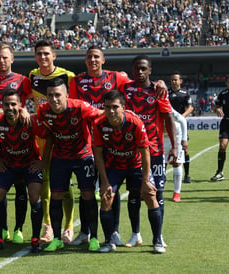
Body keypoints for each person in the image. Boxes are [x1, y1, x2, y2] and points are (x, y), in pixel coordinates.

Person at [68, 45, 131, 247]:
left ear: (103, 60)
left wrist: (160, 83)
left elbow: (136, 87)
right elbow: (73, 107)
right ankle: (85, 231)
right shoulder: (76, 81)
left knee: (110, 188)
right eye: (89, 57)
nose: (92, 60)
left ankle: (114, 231)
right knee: (86, 191)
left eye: (96, 57)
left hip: (111, 143)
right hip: (85, 143)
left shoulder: (116, 78)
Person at [92, 90, 164, 253]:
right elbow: (98, 154)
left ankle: (157, 240)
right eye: (107, 107)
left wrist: (145, 181)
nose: (111, 111)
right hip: (114, 166)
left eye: (115, 107)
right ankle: (109, 241)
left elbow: (145, 152)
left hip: (136, 166)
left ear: (123, 107)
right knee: (106, 198)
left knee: (150, 196)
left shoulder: (135, 123)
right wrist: (104, 181)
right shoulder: (98, 124)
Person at [37, 78, 103, 252]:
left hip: (83, 157)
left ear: (66, 95)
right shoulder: (43, 111)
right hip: (60, 158)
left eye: (58, 95)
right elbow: (46, 132)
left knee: (88, 196)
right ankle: (57, 239)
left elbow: (102, 114)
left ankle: (94, 237)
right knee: (56, 196)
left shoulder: (80, 107)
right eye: (50, 95)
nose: (54, 99)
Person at [122, 55, 177, 252]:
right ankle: (136, 232)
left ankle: (158, 235)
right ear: (132, 69)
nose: (140, 72)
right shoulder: (125, 88)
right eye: (137, 68)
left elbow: (168, 118)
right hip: (131, 152)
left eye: (144, 68)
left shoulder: (158, 91)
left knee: (157, 193)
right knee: (134, 193)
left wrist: (175, 146)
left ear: (150, 70)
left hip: (154, 151)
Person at [0, 89, 51, 253]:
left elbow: (49, 137)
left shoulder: (30, 121)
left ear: (20, 105)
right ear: (2, 106)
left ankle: (36, 239)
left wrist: (42, 161)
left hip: (30, 164)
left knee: (34, 196)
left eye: (13, 104)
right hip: (9, 165)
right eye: (6, 104)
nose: (10, 108)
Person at [0, 43, 32, 243]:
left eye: (5, 57)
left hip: (19, 141)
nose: (2, 61)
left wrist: (25, 110)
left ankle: (19, 228)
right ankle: (2, 229)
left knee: (21, 187)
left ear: (12, 59)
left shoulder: (23, 81)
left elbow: (29, 103)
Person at [29, 40, 75, 243]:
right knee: (44, 184)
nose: (43, 57)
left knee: (64, 186)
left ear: (54, 55)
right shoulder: (32, 76)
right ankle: (47, 226)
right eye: (39, 54)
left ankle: (68, 226)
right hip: (41, 137)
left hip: (63, 137)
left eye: (46, 54)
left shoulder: (68, 76)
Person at [169, 71, 194, 183]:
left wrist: (181, 117)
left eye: (176, 80)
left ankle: (187, 175)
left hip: (180, 125)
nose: (174, 82)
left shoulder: (185, 93)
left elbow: (190, 108)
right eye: (172, 80)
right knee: (165, 149)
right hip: (167, 125)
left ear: (180, 81)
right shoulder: (166, 93)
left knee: (184, 149)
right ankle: (162, 176)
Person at [165, 109, 188, 202]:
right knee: (157, 163)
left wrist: (184, 139)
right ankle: (155, 191)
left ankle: (176, 193)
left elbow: (182, 119)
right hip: (161, 134)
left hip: (176, 134)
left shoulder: (165, 105)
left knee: (177, 162)